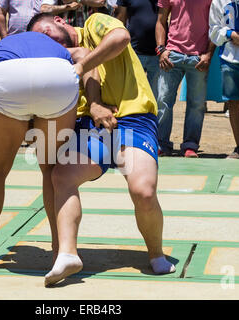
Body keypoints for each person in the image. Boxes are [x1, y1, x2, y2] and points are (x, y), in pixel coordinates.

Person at [28, 12, 176, 286]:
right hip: (90, 124)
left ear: (60, 20)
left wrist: (80, 65)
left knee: (143, 191)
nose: (44, 40)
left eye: (44, 31)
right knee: (62, 176)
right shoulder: (54, 56)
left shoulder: (93, 22)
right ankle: (67, 254)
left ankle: (156, 254)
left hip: (133, 116)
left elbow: (120, 37)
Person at [0, 31, 95, 269]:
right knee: (51, 169)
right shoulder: (59, 49)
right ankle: (61, 251)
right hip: (57, 74)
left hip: (7, 75)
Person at [155, 0, 215, 158]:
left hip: (198, 58)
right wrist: (161, 49)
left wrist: (208, 54)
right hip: (172, 55)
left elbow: (216, 25)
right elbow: (161, 21)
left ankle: (190, 145)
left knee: (197, 104)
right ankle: (161, 144)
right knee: (163, 100)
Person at [209, 0, 239, 159]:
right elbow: (213, 30)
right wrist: (231, 34)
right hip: (229, 58)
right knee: (233, 102)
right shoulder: (218, 1)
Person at [115, 0, 160, 100]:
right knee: (132, 94)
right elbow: (120, 19)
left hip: (159, 53)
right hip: (134, 51)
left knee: (156, 97)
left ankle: (153, 116)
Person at [40, 0, 106, 27]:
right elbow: (44, 9)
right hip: (66, 31)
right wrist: (67, 7)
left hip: (89, 30)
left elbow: (100, 2)